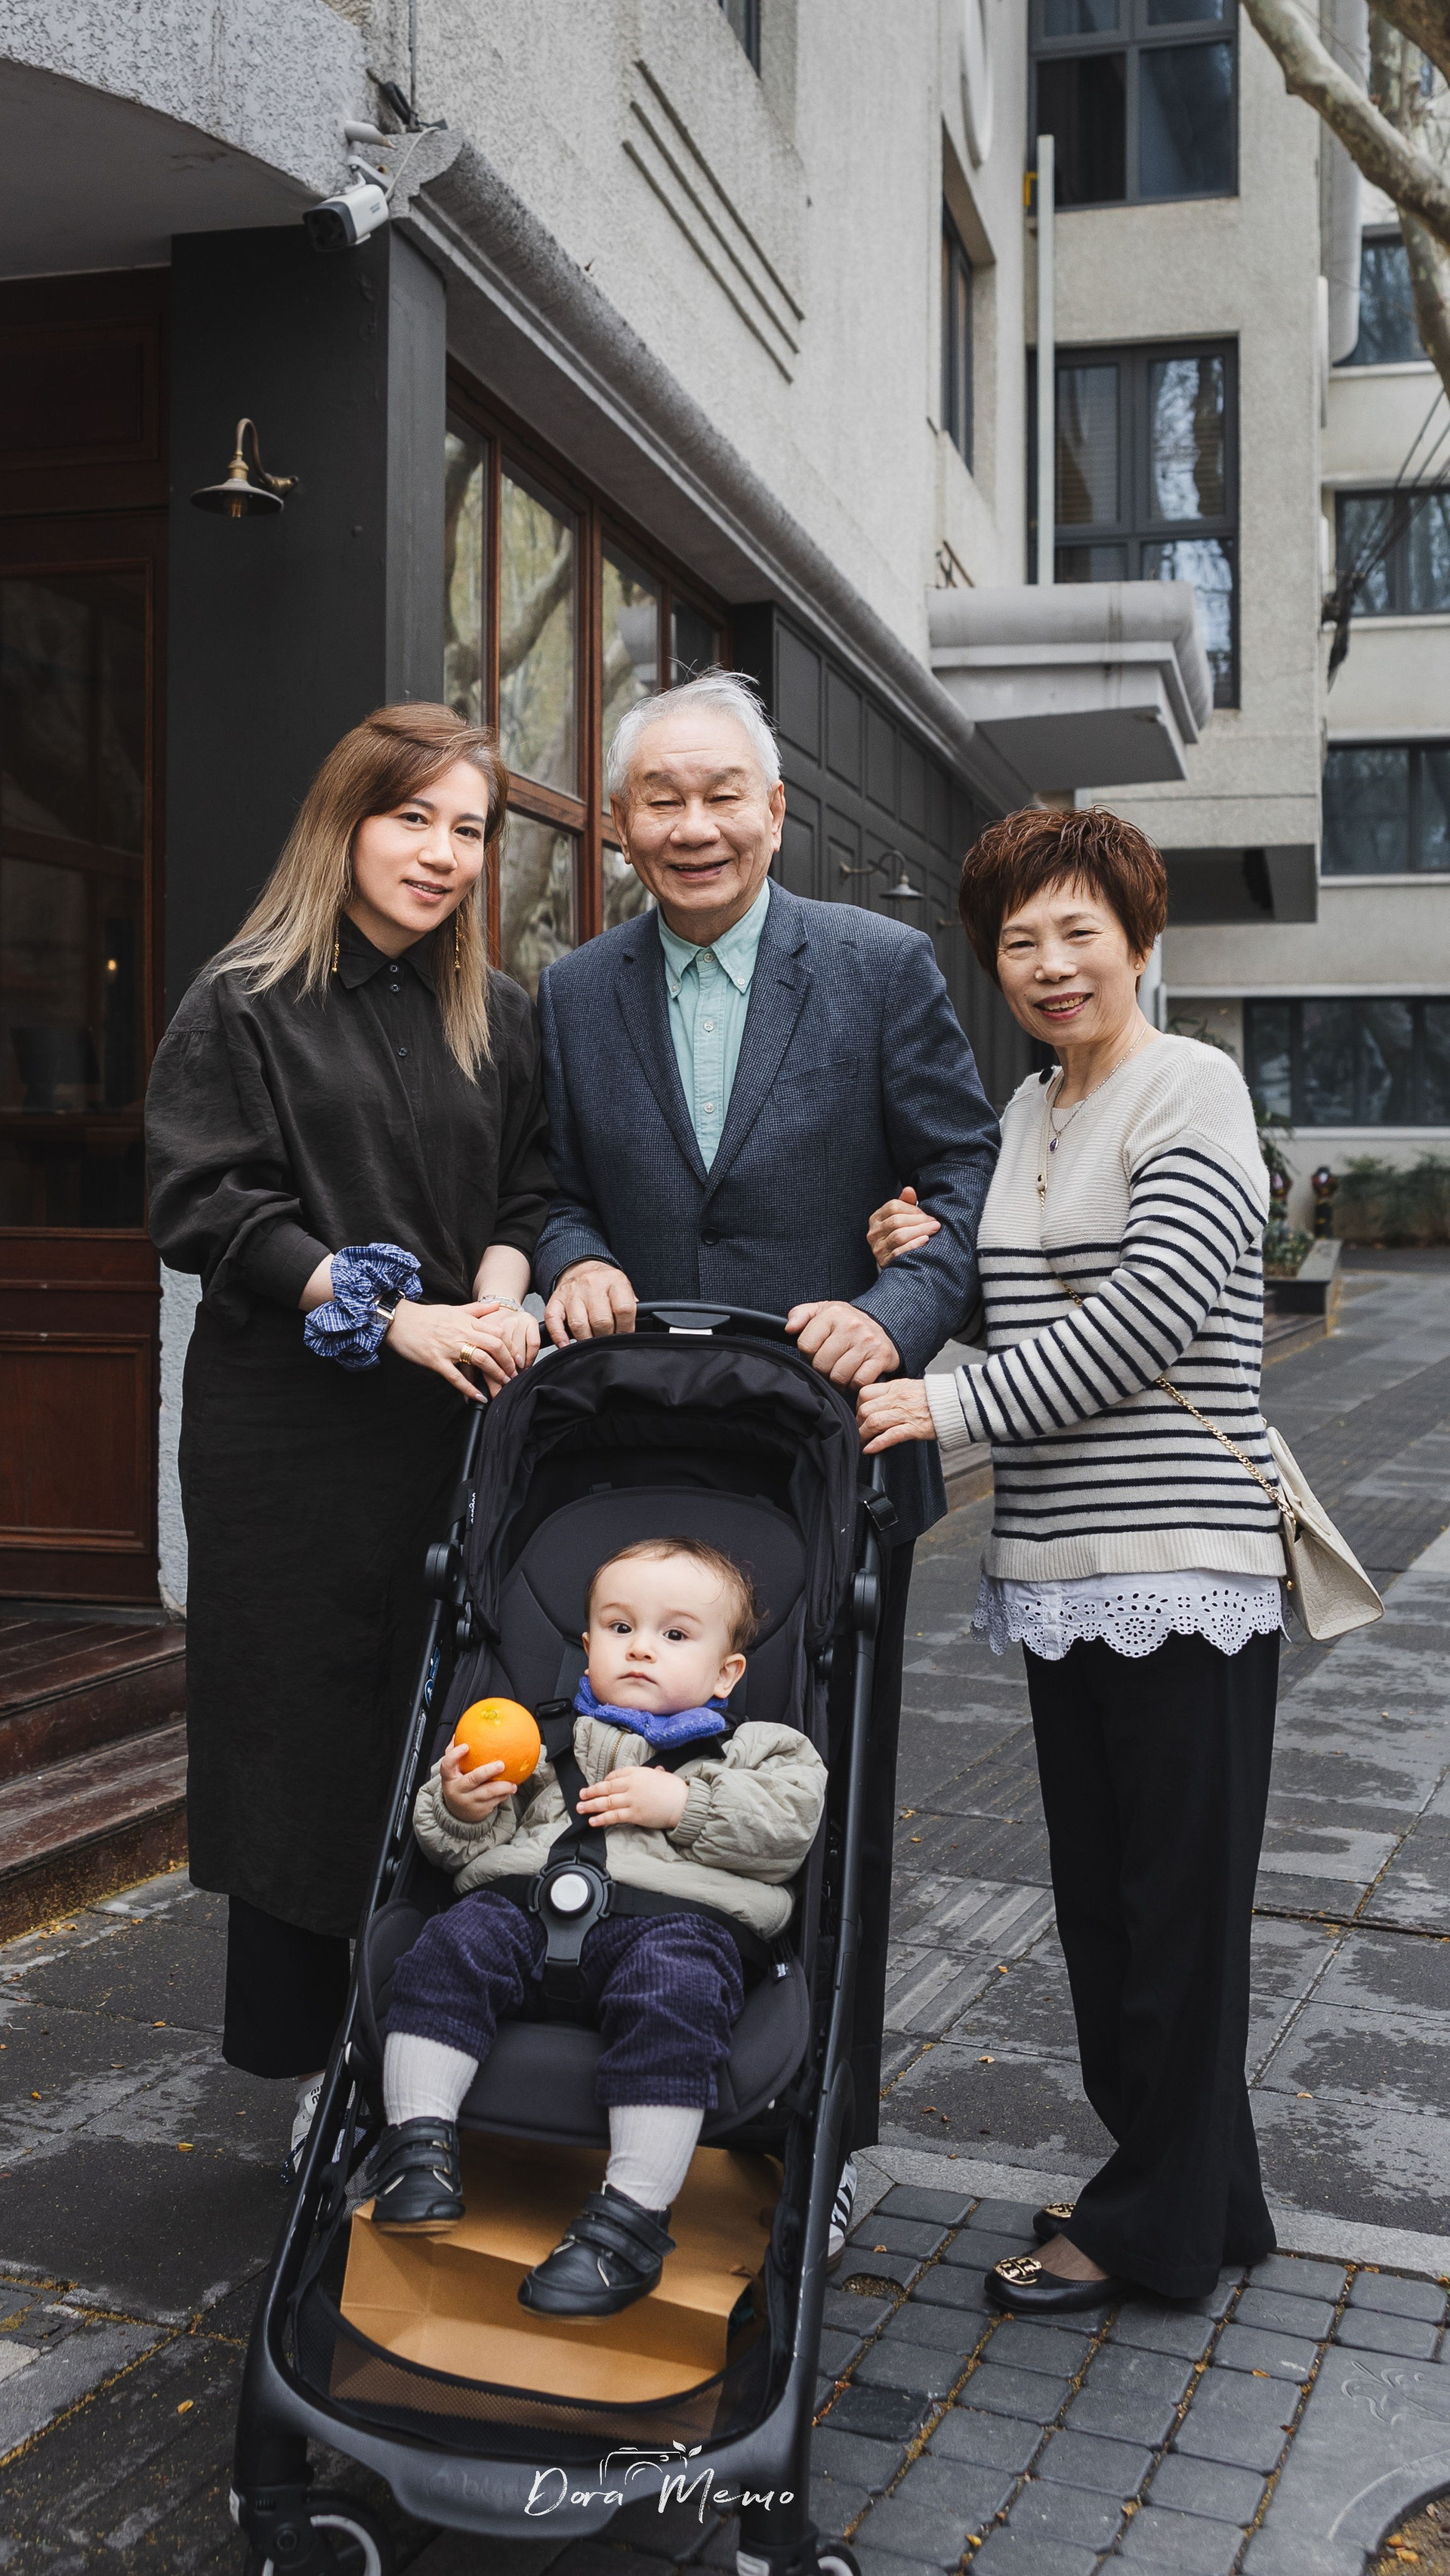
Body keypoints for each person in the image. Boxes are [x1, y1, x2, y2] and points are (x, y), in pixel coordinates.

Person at [530, 669, 1000, 2254]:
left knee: (824, 1806)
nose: (691, 826)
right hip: (637, 1478)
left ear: (774, 811)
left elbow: (959, 1175)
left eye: (719, 794)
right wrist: (574, 1255)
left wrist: (894, 1312)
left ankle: (829, 2126)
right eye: (658, 799)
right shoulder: (572, 991)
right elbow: (543, 1183)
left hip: (823, 1468)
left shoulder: (876, 969)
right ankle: (625, 2093)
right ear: (617, 826)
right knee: (608, 1786)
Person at [858, 802, 1285, 2317]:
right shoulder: (1031, 1108)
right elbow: (1037, 1324)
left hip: (1179, 1557)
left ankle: (1145, 2231)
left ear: (1136, 937)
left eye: (1075, 932)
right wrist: (936, 1261)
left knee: (1168, 1911)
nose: (1048, 963)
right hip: (1060, 1569)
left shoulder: (1191, 1087)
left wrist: (944, 1399)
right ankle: (1204, 2193)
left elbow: (1144, 1321)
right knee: (1111, 1908)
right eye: (1018, 939)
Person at [146, 705, 551, 2173]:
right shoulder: (244, 1000)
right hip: (291, 1443)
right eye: (413, 819)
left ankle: (432, 2046)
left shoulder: (496, 1014)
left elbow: (526, 1196)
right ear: (346, 823)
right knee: (310, 1748)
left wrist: (496, 1303)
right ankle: (322, 2069)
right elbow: (206, 1205)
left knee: (453, 1740)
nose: (442, 854)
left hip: (456, 1425)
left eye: (468, 828)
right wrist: (394, 1315)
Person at [369, 1538, 827, 2317]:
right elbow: (458, 1851)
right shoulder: (540, 1739)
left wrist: (685, 1806)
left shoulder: (763, 1748)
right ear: (587, 1649)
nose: (641, 1645)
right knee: (445, 1943)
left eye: (675, 1634)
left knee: (677, 1991)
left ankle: (632, 2217)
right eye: (619, 1626)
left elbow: (787, 1830)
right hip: (519, 1907)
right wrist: (461, 1802)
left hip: (673, 1927)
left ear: (727, 1671)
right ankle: (417, 2147)